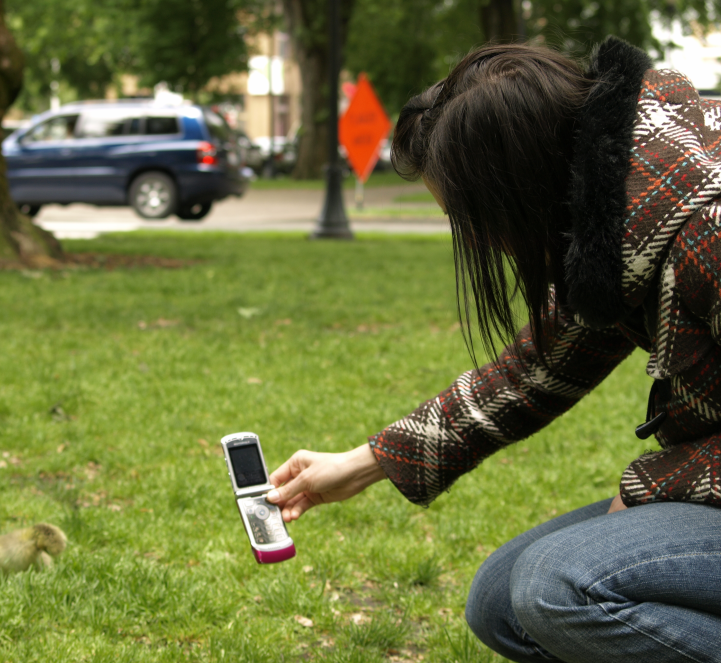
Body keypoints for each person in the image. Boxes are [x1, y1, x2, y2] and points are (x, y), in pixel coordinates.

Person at [266, 35, 721, 663]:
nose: (480, 242)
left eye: (473, 219)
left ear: (521, 186)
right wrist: (366, 461)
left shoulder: (710, 229)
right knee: (503, 605)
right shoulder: (625, 198)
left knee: (559, 589)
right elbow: (538, 367)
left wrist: (658, 486)